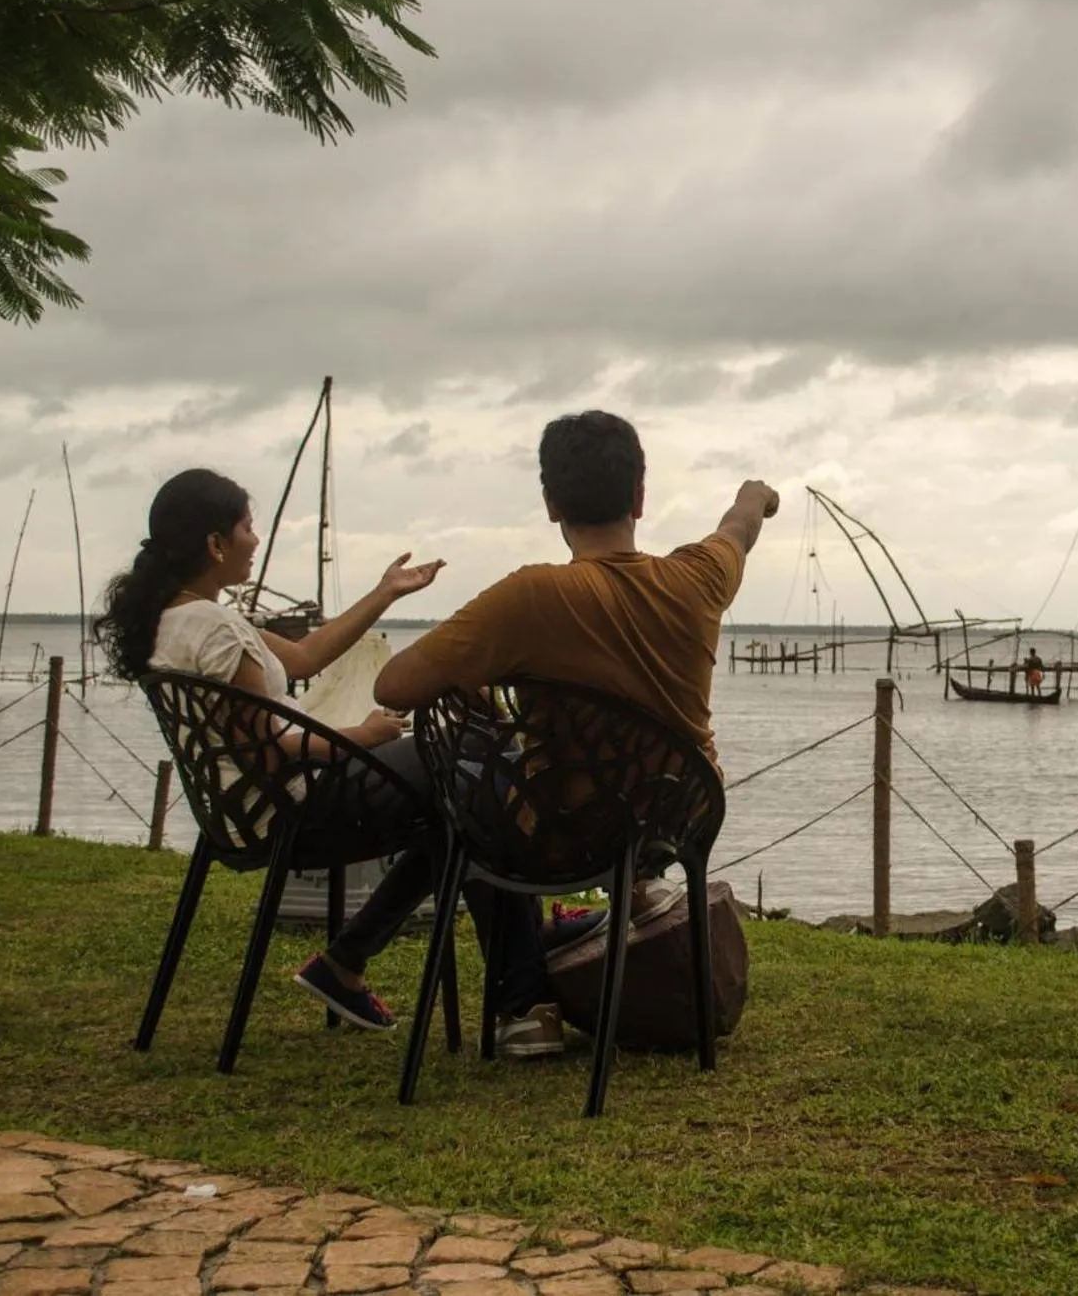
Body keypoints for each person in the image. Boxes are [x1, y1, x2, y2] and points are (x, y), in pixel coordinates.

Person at [94, 468, 584, 1045]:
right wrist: (363, 734)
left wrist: (386, 593)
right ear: (215, 543)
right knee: (471, 770)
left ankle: (364, 964)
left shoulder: (174, 621)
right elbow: (276, 751)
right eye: (247, 527)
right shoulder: (216, 630)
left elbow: (303, 658)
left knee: (460, 802)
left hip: (240, 815)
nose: (255, 540)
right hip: (291, 811)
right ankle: (524, 989)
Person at [375, 408, 778, 1057]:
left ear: (550, 503)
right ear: (641, 498)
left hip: (561, 834)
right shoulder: (699, 576)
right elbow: (740, 526)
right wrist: (757, 494)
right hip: (675, 821)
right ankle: (641, 890)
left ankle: (524, 1004)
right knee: (488, 786)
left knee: (466, 786)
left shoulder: (530, 597)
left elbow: (392, 687)